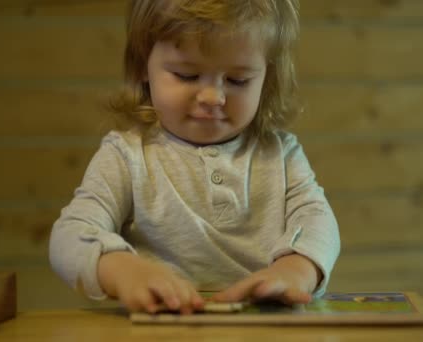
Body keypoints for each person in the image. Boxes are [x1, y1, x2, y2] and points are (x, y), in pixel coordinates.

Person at [49, 0, 340, 315]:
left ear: (266, 80)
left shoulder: (282, 154)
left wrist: (296, 270)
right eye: (187, 75)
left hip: (266, 329)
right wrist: (123, 270)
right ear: (140, 67)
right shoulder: (126, 155)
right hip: (165, 329)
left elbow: (318, 222)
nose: (213, 97)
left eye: (237, 80)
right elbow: (69, 236)